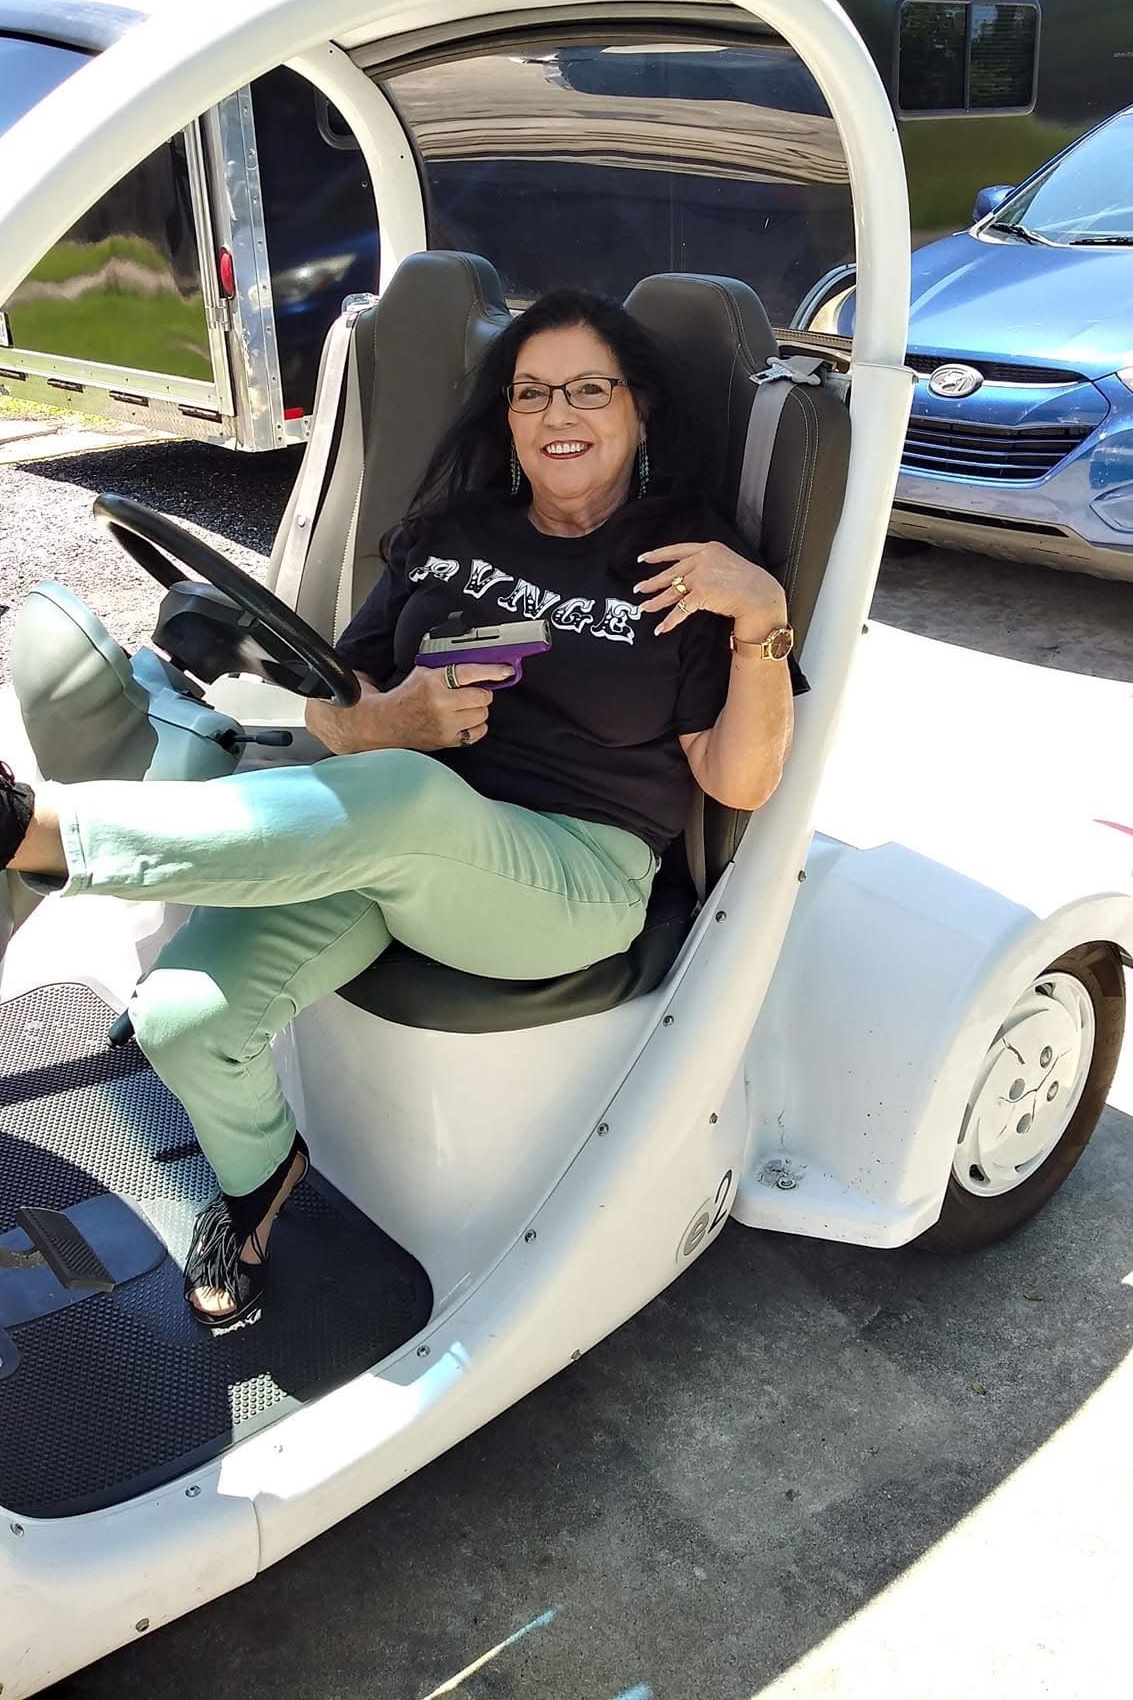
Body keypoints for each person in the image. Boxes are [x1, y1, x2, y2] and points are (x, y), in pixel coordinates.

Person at [0, 289, 799, 1334]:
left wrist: (760, 617)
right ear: (505, 416)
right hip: (393, 839)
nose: (558, 413)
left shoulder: (685, 564)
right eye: (530, 392)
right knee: (183, 1018)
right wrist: (394, 718)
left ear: (637, 407)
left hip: (569, 874)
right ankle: (255, 1184)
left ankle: (38, 832)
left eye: (588, 389)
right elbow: (335, 708)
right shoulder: (448, 532)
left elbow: (739, 781)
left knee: (408, 795)